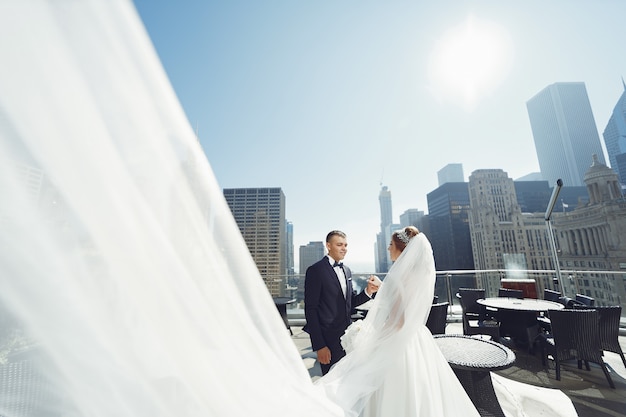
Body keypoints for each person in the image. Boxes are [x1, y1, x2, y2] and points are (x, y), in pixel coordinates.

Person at [316, 226, 481, 416]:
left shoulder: (400, 276)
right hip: (417, 338)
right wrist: (383, 288)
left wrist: (372, 337)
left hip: (399, 339)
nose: (388, 249)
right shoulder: (416, 274)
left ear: (403, 250)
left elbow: (398, 321)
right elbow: (404, 301)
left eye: (390, 245)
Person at [304, 230, 382, 375]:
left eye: (345, 245)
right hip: (328, 340)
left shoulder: (347, 270)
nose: (344, 248)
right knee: (331, 383)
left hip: (347, 337)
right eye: (339, 245)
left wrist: (368, 291)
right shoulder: (315, 270)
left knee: (348, 381)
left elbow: (350, 302)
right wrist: (320, 345)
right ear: (328, 246)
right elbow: (311, 310)